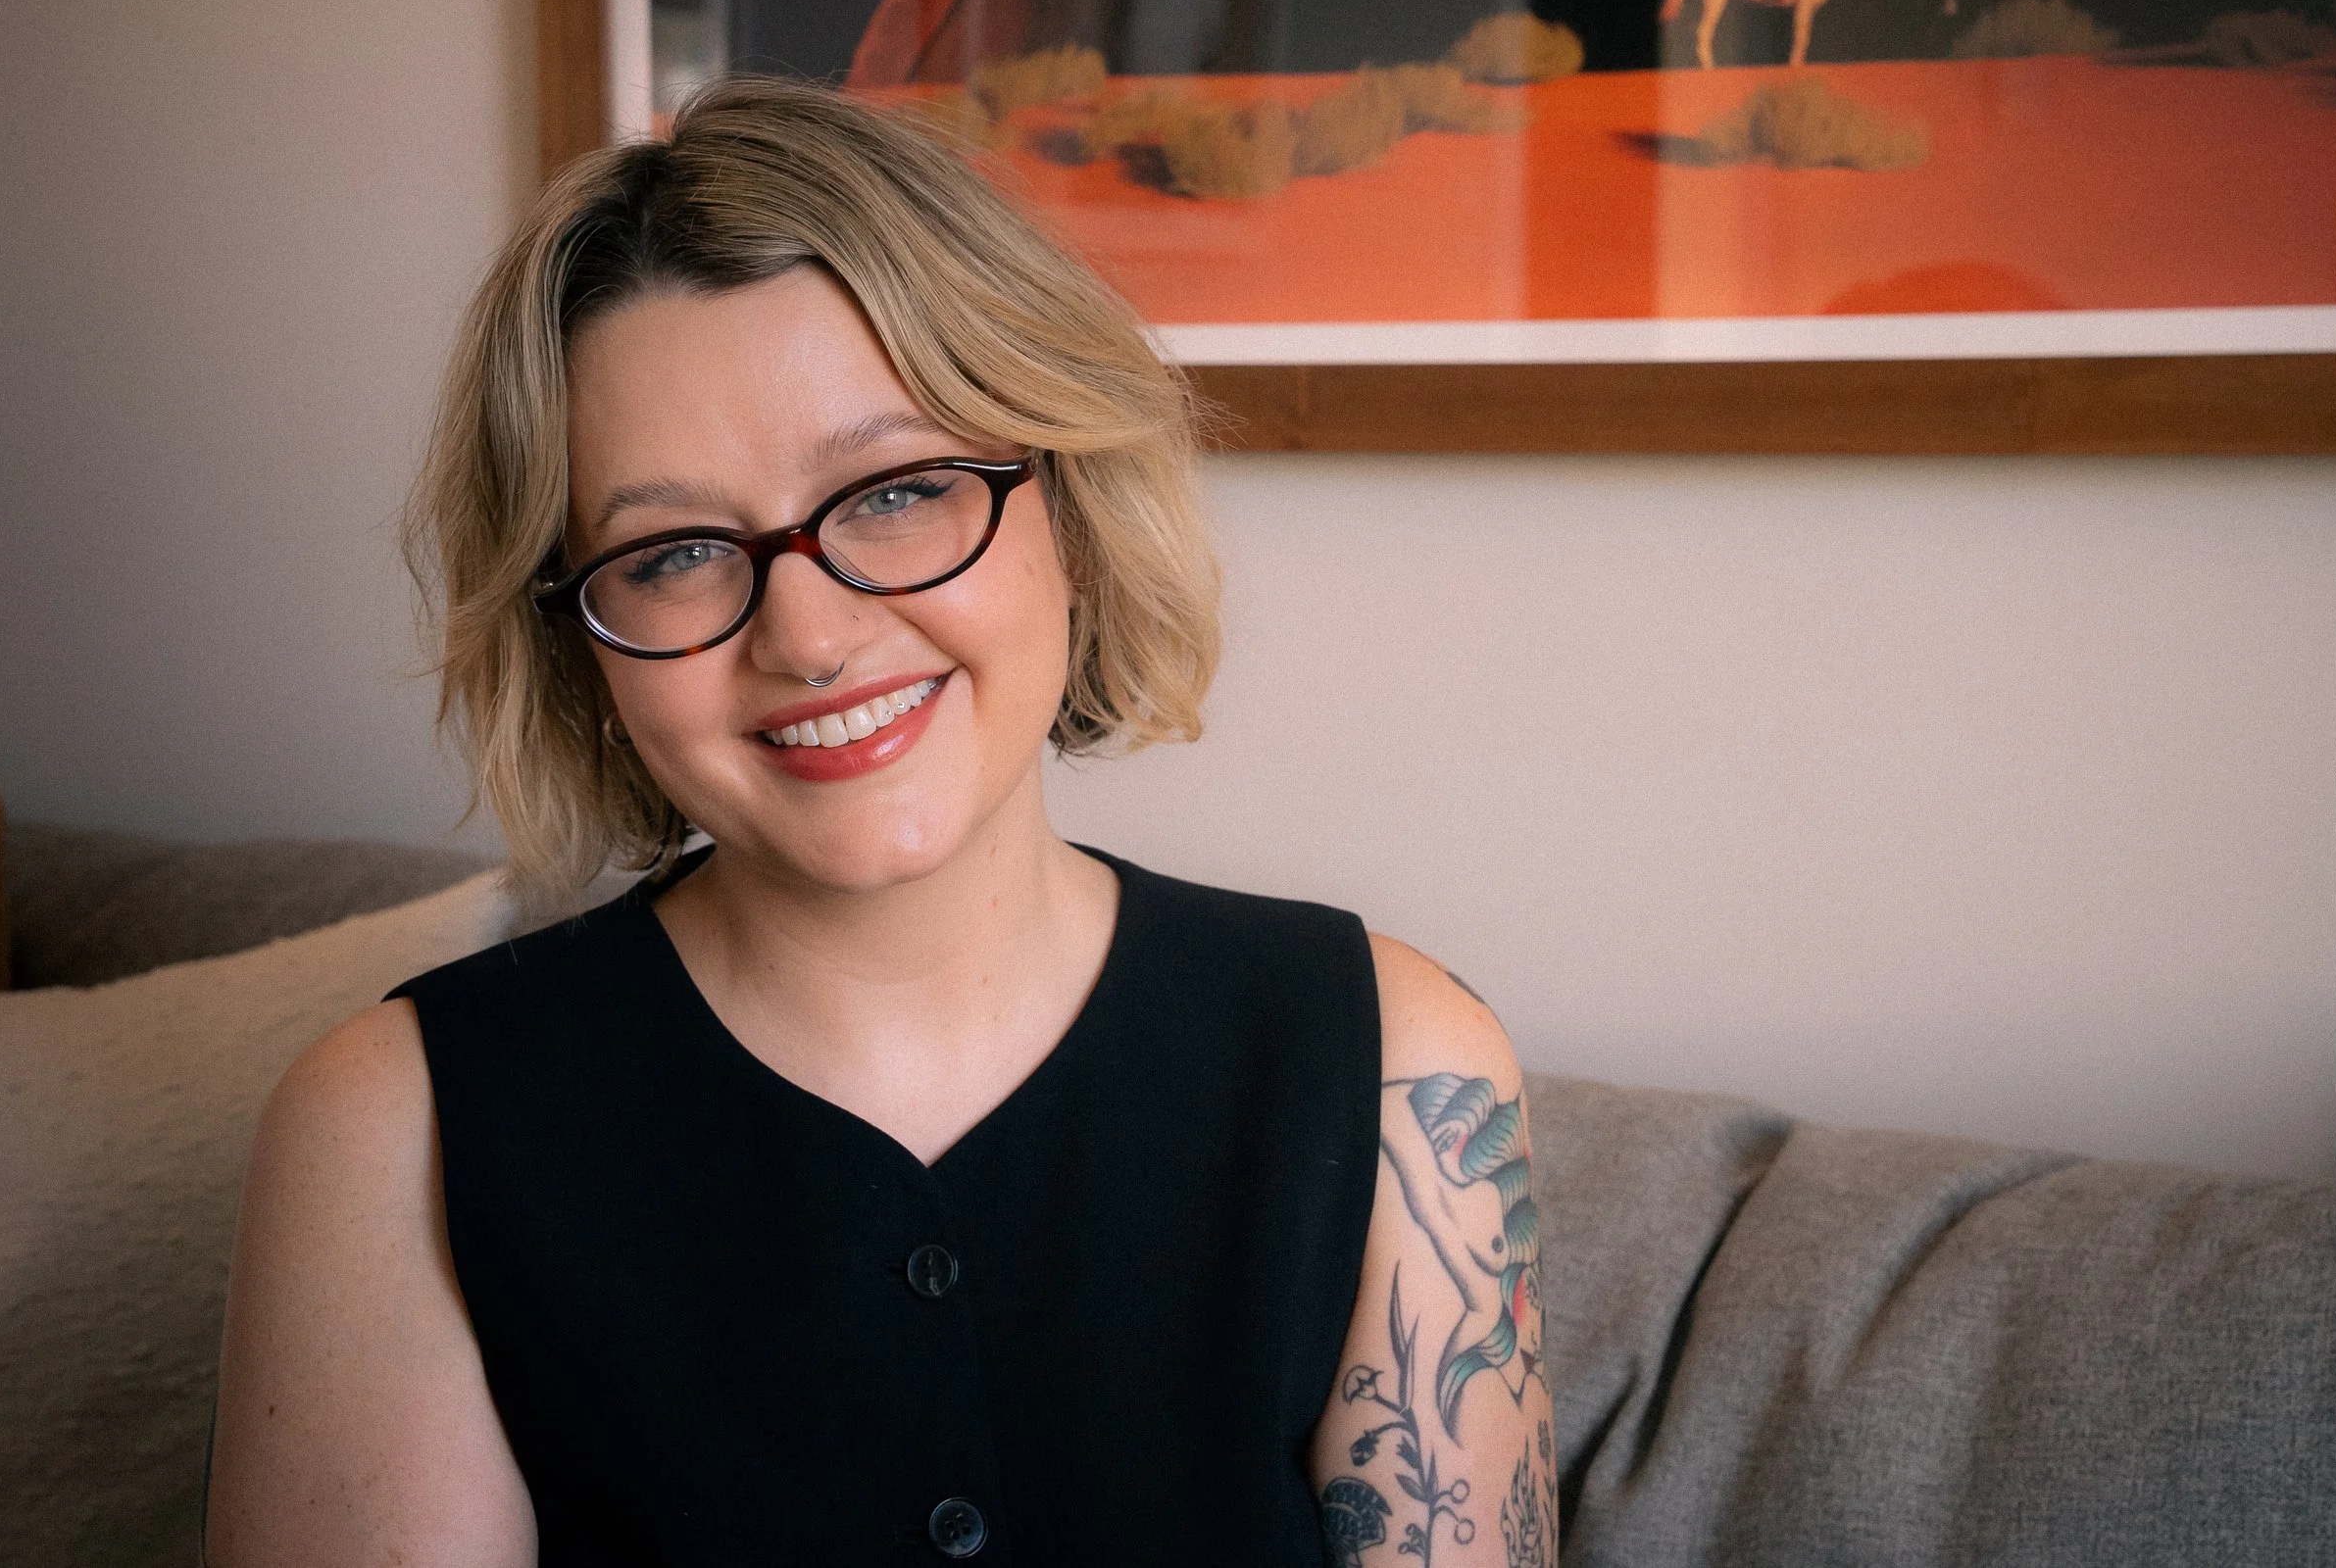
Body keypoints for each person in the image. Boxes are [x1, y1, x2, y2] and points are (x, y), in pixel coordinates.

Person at [204, 77, 1553, 1566]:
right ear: (580, 646)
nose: (810, 635)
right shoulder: (393, 1128)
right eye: (674, 554)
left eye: (898, 490)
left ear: (1073, 517)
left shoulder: (1397, 1071)